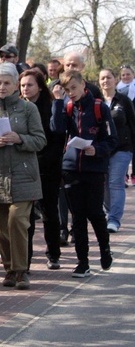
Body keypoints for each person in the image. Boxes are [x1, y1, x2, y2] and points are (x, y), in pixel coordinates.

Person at [0, 63, 46, 289]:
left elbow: (40, 140)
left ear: (16, 84)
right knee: (0, 228)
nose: (2, 87)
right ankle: (8, 269)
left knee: (17, 221)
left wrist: (19, 139)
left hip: (24, 176)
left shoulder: (28, 109)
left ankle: (21, 271)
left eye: (7, 82)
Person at [51, 70, 116, 277]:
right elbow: (57, 129)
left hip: (94, 169)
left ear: (83, 85)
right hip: (71, 169)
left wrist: (97, 149)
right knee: (77, 218)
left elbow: (112, 139)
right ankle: (83, 262)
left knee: (95, 213)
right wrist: (58, 103)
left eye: (73, 88)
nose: (71, 93)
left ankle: (105, 250)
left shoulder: (99, 108)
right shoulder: (67, 107)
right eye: (66, 89)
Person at [19, 69, 65, 270]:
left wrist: (46, 161)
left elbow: (57, 138)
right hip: (25, 166)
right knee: (25, 215)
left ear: (39, 86)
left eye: (29, 85)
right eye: (22, 85)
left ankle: (53, 253)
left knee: (49, 211)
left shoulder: (50, 107)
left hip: (48, 166)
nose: (25, 89)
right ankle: (25, 260)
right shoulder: (19, 108)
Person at [98, 68, 135, 233]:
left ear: (115, 80)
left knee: (115, 182)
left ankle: (114, 219)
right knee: (104, 183)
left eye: (109, 77)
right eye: (102, 78)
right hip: (102, 149)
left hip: (122, 148)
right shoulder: (95, 101)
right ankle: (109, 212)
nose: (106, 81)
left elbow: (132, 124)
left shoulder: (124, 101)